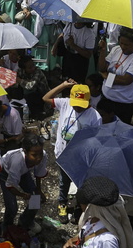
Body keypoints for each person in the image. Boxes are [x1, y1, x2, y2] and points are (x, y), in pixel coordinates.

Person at [43, 80, 101, 223]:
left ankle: (77, 206)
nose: (77, 107)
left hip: (81, 158)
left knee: (81, 183)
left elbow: (95, 141)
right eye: (75, 103)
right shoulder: (65, 103)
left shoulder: (95, 116)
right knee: (64, 182)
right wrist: (63, 85)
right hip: (63, 153)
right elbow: (45, 98)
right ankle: (62, 203)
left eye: (81, 105)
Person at [61, 176, 131, 248]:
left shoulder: (107, 240)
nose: (81, 207)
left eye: (83, 204)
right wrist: (70, 242)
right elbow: (85, 235)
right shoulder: (92, 219)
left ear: (93, 207)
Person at [97, 27, 133, 125]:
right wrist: (103, 51)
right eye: (121, 43)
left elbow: (126, 80)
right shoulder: (116, 49)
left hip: (123, 103)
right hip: (107, 98)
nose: (123, 47)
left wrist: (107, 76)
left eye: (126, 44)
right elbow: (102, 68)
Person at [0, 134, 48, 232]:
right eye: (34, 155)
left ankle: (25, 221)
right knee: (12, 207)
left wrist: (38, 190)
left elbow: (38, 174)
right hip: (6, 172)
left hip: (24, 171)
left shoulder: (43, 155)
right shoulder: (17, 162)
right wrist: (22, 195)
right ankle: (7, 227)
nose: (38, 158)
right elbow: (10, 186)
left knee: (36, 198)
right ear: (25, 151)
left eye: (40, 154)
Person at [53, 18, 97, 83]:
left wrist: (73, 45)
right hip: (67, 57)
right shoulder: (70, 24)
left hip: (79, 62)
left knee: (76, 84)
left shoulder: (89, 33)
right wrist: (55, 45)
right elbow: (63, 33)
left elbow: (88, 54)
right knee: (65, 81)